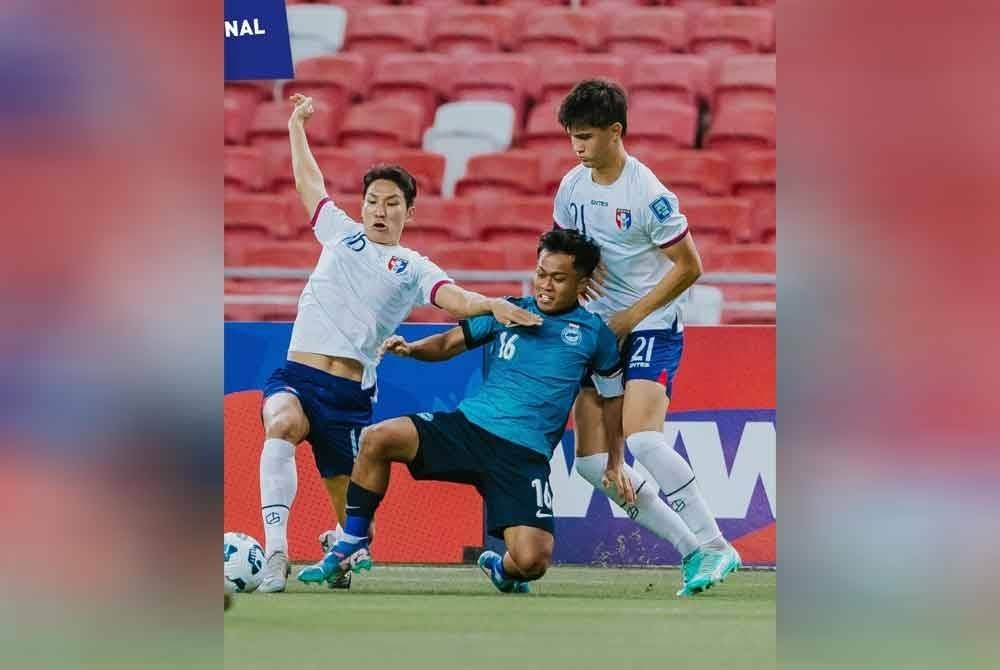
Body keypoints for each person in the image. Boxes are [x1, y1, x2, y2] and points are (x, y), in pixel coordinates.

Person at [256, 94, 542, 593]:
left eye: (392, 203)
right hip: (297, 376)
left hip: (347, 398)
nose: (380, 210)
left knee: (356, 535)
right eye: (372, 201)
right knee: (280, 424)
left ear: (409, 212)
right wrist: (296, 125)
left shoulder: (412, 267)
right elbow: (309, 183)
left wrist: (491, 305)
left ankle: (342, 547)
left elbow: (453, 298)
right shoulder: (339, 233)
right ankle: (275, 554)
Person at [296, 230, 634, 593]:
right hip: (467, 430)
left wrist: (615, 461)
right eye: (541, 274)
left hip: (523, 457)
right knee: (377, 438)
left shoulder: (595, 335)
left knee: (532, 561)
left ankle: (500, 569)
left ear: (582, 283)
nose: (545, 285)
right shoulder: (508, 311)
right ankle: (352, 540)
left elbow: (613, 398)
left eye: (558, 278)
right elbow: (447, 343)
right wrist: (412, 349)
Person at [553, 79, 741, 596]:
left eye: (586, 137)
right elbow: (565, 248)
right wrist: (572, 275)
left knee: (642, 439)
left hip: (650, 325)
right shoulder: (572, 187)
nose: (577, 147)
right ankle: (692, 551)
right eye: (572, 137)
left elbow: (690, 266)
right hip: (598, 329)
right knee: (593, 464)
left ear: (615, 131)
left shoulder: (648, 194)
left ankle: (716, 545)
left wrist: (631, 316)